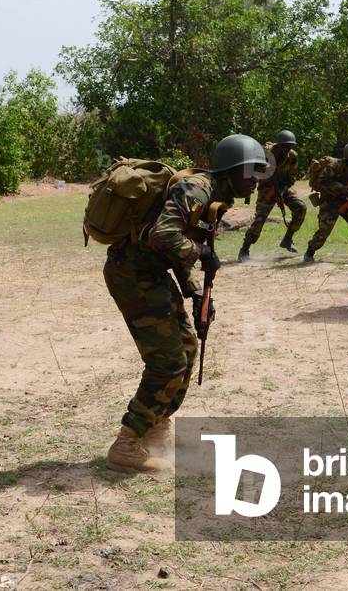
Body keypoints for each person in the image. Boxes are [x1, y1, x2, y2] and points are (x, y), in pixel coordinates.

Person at [105, 134, 266, 473]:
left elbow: (174, 241)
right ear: (233, 169)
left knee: (187, 349)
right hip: (133, 275)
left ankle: (156, 431)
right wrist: (201, 253)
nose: (255, 179)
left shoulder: (216, 193)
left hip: (151, 273)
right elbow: (163, 236)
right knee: (167, 361)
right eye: (251, 171)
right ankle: (126, 444)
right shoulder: (198, 189)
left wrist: (193, 292)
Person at [239, 130, 307, 259]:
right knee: (260, 219)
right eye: (286, 145)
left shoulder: (293, 156)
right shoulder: (267, 153)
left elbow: (292, 177)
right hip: (266, 189)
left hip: (283, 187)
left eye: (291, 145)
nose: (289, 148)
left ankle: (287, 239)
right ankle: (244, 249)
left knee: (301, 208)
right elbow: (252, 170)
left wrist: (281, 192)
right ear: (280, 144)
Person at [303, 142, 348, 263]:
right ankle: (310, 252)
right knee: (324, 230)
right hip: (329, 203)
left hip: (344, 202)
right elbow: (322, 182)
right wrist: (340, 187)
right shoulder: (333, 166)